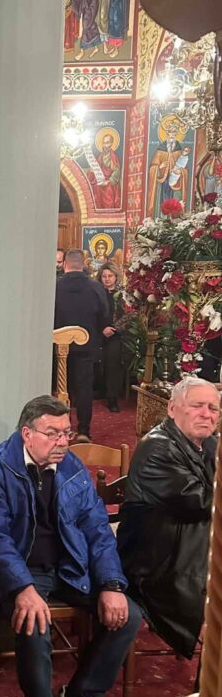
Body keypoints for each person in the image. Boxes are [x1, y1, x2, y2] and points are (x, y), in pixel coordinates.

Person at [0, 395, 141, 697]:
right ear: (27, 433)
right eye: (53, 433)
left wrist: (111, 583)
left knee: (129, 615)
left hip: (66, 566)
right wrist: (22, 588)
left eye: (67, 432)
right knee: (34, 623)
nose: (63, 441)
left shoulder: (72, 467)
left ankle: (79, 695)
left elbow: (97, 530)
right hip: (12, 572)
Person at [118, 377, 220, 659]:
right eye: (197, 406)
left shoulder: (210, 443)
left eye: (213, 408)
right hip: (158, 564)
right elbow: (202, 503)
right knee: (217, 621)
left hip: (193, 549)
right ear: (172, 409)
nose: (206, 414)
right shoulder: (157, 448)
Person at [54, 248, 109, 441]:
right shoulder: (95, 287)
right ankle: (83, 430)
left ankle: (58, 430)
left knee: (59, 387)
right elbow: (104, 316)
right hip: (86, 346)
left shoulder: (54, 286)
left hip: (56, 346)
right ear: (83, 264)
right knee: (84, 388)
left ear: (65, 264)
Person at [97, 262, 126, 413]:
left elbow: (129, 315)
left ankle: (112, 398)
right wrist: (101, 329)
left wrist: (114, 328)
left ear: (116, 277)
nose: (107, 279)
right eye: (104, 276)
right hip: (98, 333)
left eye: (110, 276)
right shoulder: (96, 293)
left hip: (116, 334)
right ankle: (98, 390)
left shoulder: (123, 295)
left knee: (113, 365)